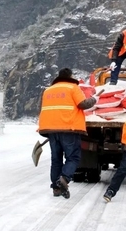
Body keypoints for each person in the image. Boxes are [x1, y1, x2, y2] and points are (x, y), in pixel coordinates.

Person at [38, 68, 97, 199]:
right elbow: (83, 104)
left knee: (56, 159)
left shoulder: (48, 90)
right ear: (70, 76)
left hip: (51, 130)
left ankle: (56, 188)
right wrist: (94, 99)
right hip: (68, 128)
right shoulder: (72, 87)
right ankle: (64, 178)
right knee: (73, 157)